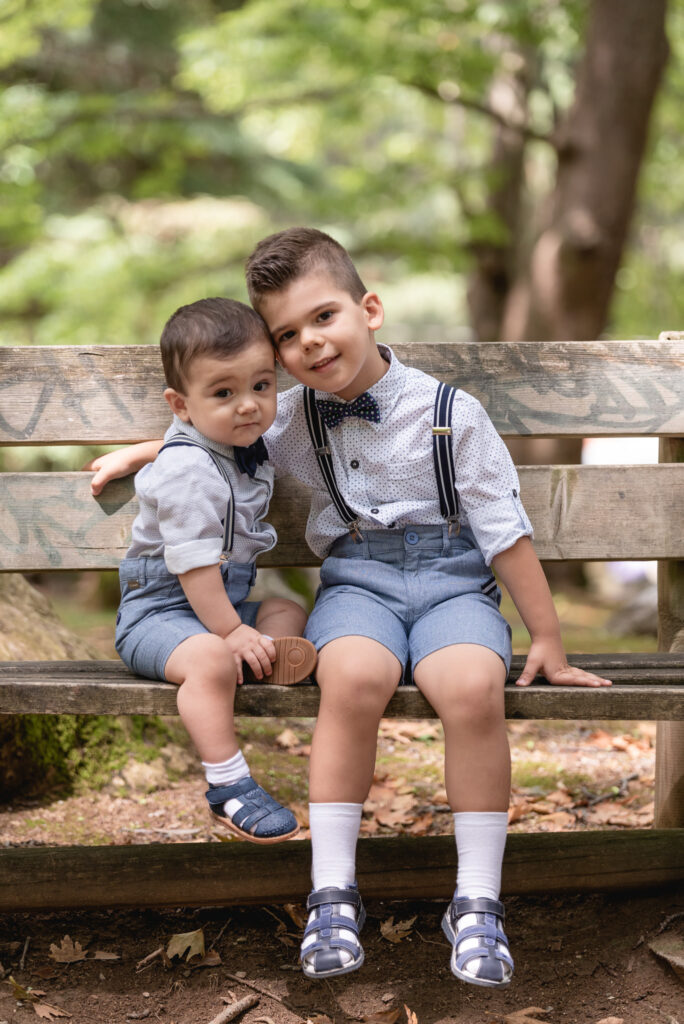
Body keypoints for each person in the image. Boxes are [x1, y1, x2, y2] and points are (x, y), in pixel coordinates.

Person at [90, 229, 611, 987]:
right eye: (288, 336)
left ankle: (477, 901)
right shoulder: (289, 414)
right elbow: (217, 424)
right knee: (354, 679)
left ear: (369, 309)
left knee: (471, 687)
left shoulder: (450, 414)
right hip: (358, 582)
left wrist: (550, 636)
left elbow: (504, 532)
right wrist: (146, 452)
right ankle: (331, 893)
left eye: (324, 317)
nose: (310, 344)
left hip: (453, 583)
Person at [110, 296, 316, 844]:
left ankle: (258, 659)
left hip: (218, 604)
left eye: (261, 386)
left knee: (284, 607)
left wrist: (136, 454)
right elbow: (194, 570)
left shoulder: (234, 441)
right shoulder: (188, 474)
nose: (248, 405)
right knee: (207, 658)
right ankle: (227, 786)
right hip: (158, 614)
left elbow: (185, 441)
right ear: (181, 403)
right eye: (224, 393)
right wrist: (229, 631)